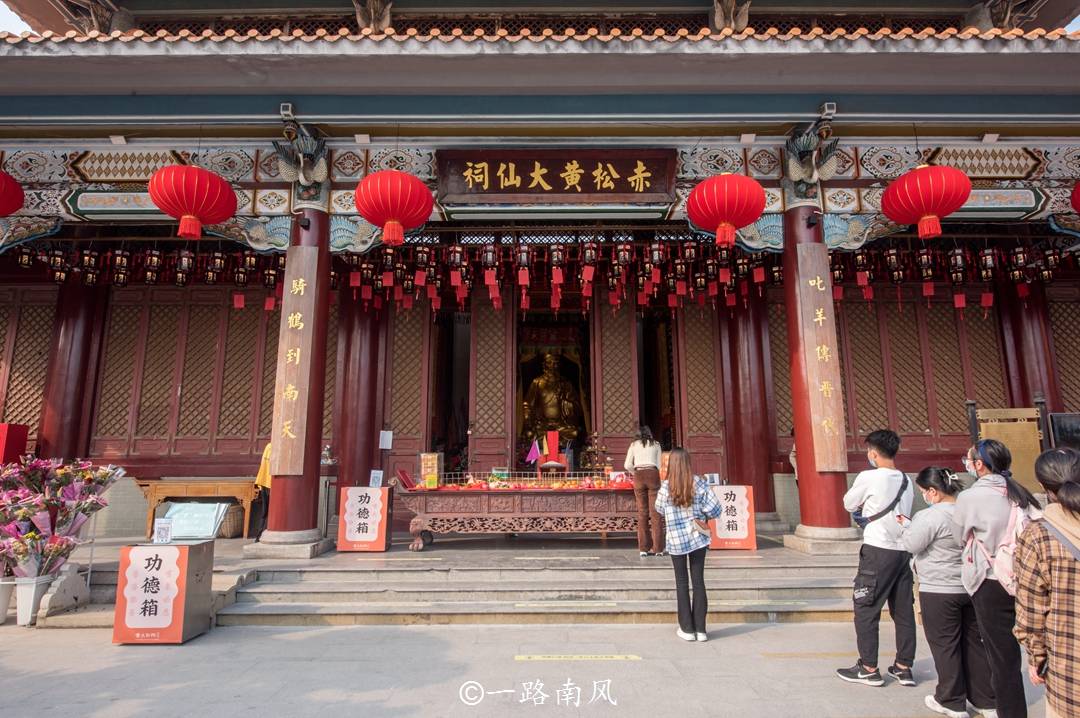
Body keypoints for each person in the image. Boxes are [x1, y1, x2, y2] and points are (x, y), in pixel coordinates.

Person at [953, 439, 1041, 718]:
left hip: (990, 580)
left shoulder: (970, 498)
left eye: (970, 460)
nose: (967, 464)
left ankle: (1011, 712)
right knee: (1037, 643)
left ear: (978, 465)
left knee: (1002, 656)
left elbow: (959, 537)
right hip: (1025, 577)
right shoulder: (1021, 493)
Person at [897, 468, 996, 718]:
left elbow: (911, 544)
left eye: (923, 492)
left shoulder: (930, 516)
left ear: (933, 491)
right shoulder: (971, 512)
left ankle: (951, 700)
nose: (924, 496)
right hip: (972, 585)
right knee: (974, 644)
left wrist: (906, 528)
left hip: (939, 589)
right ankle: (985, 699)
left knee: (945, 645)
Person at [836, 429, 917, 688]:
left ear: (872, 452)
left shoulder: (869, 476)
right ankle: (904, 667)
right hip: (903, 551)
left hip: (877, 550)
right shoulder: (906, 479)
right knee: (903, 610)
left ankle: (869, 667)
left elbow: (849, 503)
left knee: (866, 607)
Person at [1014, 448, 1080, 718]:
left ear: (1042, 486)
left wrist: (1037, 657)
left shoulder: (1039, 535)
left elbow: (1030, 611)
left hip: (1070, 669)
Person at [654, 447, 723, 642]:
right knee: (699, 582)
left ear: (672, 464)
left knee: (682, 583)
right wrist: (701, 514)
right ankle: (701, 629)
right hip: (697, 538)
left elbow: (658, 508)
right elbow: (716, 509)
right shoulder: (700, 483)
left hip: (676, 540)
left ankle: (686, 628)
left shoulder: (666, 486)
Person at [625, 425, 663, 557]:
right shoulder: (656, 444)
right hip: (653, 473)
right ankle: (658, 549)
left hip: (639, 475)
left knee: (642, 513)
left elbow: (627, 465)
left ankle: (643, 549)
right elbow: (659, 464)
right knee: (656, 512)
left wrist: (634, 472)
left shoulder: (634, 445)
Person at [252, 442, 272, 540]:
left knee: (265, 510)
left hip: (264, 480)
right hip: (270, 482)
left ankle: (259, 535)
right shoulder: (273, 447)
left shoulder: (268, 446)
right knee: (268, 510)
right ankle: (263, 534)